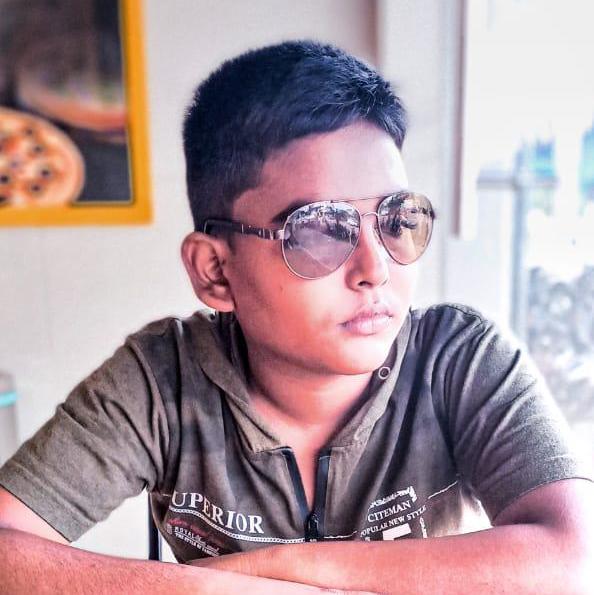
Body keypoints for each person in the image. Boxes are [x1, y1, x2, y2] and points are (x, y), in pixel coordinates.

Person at [0, 40, 592, 595]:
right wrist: (209, 588)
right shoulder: (161, 381)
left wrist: (274, 571)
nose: (376, 268)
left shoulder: (459, 359)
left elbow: (572, 556)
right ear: (216, 271)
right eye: (319, 230)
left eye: (396, 219)